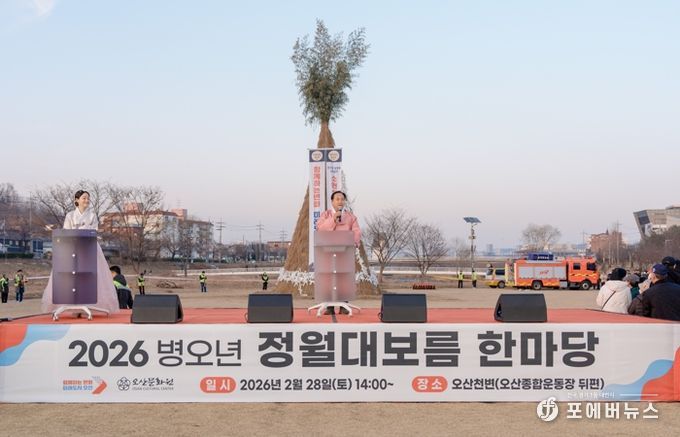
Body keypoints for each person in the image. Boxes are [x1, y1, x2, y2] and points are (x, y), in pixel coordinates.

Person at [41, 190, 120, 314]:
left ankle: (88, 304)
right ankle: (72, 304)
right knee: (70, 276)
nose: (86, 200)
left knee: (90, 276)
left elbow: (94, 231)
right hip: (72, 248)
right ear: (77, 200)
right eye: (84, 198)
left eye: (88, 198)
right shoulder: (70, 215)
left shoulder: (92, 216)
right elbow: (66, 231)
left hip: (89, 248)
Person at [316, 190, 362, 314]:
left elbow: (356, 232)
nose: (340, 201)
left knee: (344, 277)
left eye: (342, 199)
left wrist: (353, 243)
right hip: (327, 252)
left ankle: (343, 305)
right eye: (337, 199)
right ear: (332, 201)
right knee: (328, 277)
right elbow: (320, 229)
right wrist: (333, 219)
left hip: (345, 251)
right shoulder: (325, 215)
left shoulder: (351, 217)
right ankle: (329, 307)